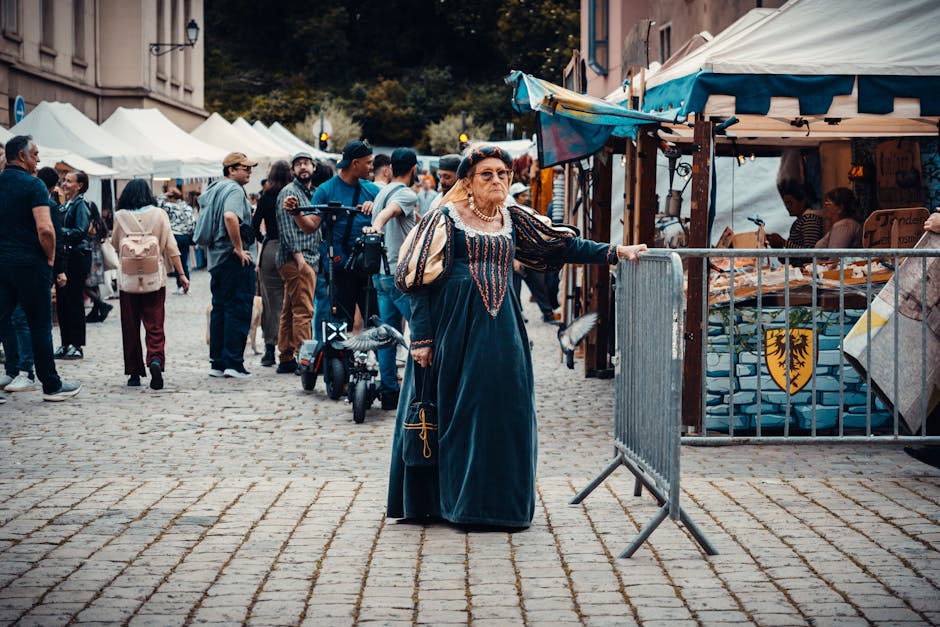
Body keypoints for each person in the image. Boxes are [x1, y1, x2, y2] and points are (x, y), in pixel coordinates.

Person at [386, 145, 647, 529]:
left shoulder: (513, 219)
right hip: (452, 331)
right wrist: (421, 339)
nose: (497, 180)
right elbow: (417, 281)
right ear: (468, 182)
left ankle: (496, 506)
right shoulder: (444, 219)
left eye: (502, 174)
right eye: (486, 174)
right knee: (458, 410)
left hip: (501, 328)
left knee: (506, 408)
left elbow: (562, 244)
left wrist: (614, 251)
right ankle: (448, 503)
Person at [0, 135, 81, 401]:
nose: (38, 159)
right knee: (39, 325)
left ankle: (18, 372)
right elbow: (45, 228)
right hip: (30, 264)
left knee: (4, 319)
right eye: (35, 154)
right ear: (22, 156)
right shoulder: (33, 185)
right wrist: (50, 258)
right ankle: (51, 385)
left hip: (3, 262)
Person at [111, 180, 190, 389]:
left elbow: (115, 243)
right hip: (155, 277)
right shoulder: (159, 214)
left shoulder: (120, 216)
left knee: (130, 325)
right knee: (155, 323)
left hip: (128, 280)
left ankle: (134, 373)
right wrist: (181, 274)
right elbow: (172, 246)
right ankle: (155, 359)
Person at [362, 148, 419, 410]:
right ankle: (420, 389)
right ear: (414, 169)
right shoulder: (406, 193)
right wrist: (379, 224)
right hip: (401, 275)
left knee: (387, 335)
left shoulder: (382, 190)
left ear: (389, 169)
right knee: (422, 332)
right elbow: (392, 213)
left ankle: (389, 392)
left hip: (381, 276)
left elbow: (411, 220)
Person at [195, 152, 257, 378]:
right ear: (231, 170)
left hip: (217, 259)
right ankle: (233, 363)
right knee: (238, 309)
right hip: (232, 258)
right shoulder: (232, 189)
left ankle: (218, 363)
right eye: (245, 168)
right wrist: (239, 248)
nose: (249, 171)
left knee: (220, 309)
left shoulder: (214, 189)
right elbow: (230, 217)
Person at [309, 140, 379, 341]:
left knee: (374, 320)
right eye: (368, 162)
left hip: (368, 266)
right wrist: (295, 213)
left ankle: (377, 366)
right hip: (340, 267)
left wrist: (375, 206)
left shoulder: (373, 191)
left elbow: (390, 214)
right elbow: (311, 225)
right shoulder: (326, 190)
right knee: (340, 322)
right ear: (355, 163)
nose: (371, 167)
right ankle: (340, 365)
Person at [274, 152, 321, 374]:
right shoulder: (289, 193)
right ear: (292, 170)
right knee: (303, 310)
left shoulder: (312, 193)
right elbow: (285, 230)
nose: (303, 168)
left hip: (308, 257)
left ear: (314, 167)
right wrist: (301, 260)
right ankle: (306, 360)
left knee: (290, 308)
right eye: (298, 165)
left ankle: (285, 356)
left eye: (306, 164)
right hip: (298, 260)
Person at [252, 161, 290, 367]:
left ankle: (269, 349)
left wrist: (264, 239)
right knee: (292, 301)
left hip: (271, 248)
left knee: (270, 301)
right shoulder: (293, 197)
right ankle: (290, 348)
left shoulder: (266, 197)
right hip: (292, 249)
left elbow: (254, 225)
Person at [55, 170, 92, 360]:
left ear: (79, 185)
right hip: (66, 256)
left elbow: (80, 231)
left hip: (76, 257)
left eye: (69, 181)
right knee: (63, 301)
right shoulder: (65, 205)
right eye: (65, 180)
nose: (64, 183)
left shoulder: (81, 205)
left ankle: (77, 344)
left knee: (75, 301)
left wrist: (58, 230)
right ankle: (65, 342)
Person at [508, 181, 555, 324]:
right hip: (516, 258)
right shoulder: (510, 213)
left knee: (538, 286)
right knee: (514, 289)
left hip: (529, 256)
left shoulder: (525, 210)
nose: (527, 197)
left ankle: (547, 313)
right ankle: (518, 316)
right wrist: (515, 259)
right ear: (516, 197)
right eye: (523, 195)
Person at [766, 179, 824, 265]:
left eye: (790, 203)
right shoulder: (799, 221)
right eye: (786, 204)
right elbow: (790, 259)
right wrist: (778, 248)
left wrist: (783, 242)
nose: (787, 207)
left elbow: (810, 254)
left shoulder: (809, 219)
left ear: (802, 201)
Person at [161, 187, 196, 295]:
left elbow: (157, 203)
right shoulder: (187, 207)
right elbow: (192, 222)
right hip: (185, 236)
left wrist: (164, 195)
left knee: (176, 261)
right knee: (184, 261)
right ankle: (186, 285)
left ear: (171, 197)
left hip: (174, 235)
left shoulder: (169, 207)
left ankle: (180, 285)